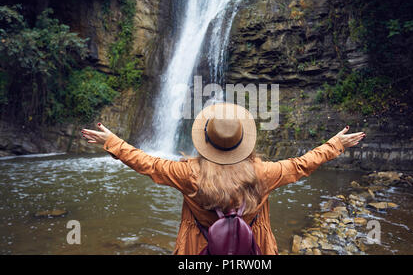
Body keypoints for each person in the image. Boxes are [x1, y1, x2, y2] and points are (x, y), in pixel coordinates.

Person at [81, 102, 365, 254]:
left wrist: (112, 141)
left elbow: (148, 163)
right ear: (243, 141)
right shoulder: (262, 173)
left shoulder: (188, 173)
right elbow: (302, 165)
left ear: (205, 140)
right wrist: (336, 144)